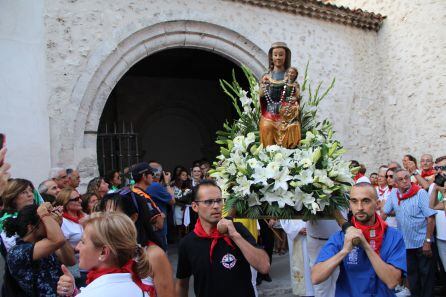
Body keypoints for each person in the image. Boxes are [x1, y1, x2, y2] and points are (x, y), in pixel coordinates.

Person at [175, 180, 270, 297]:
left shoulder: (238, 230)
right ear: (195, 206)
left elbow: (264, 267)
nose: (216, 206)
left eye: (219, 201)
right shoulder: (188, 243)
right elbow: (182, 284)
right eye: (208, 202)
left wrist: (235, 236)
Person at [312, 183, 406, 296]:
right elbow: (315, 277)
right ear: (350, 205)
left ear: (377, 204)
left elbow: (392, 282)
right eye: (354, 201)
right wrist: (344, 251)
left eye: (366, 201)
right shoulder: (341, 237)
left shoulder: (394, 236)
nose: (360, 207)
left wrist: (366, 245)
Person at [56, 212, 157, 296]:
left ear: (103, 252)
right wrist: (74, 292)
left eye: (83, 242)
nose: (77, 247)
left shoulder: (92, 293)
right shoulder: (140, 285)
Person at [99, 192, 175, 296]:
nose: (106, 221)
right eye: (103, 214)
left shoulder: (153, 255)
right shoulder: (103, 254)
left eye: (113, 215)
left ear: (133, 217)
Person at [382, 168, 436, 297]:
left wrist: (427, 241)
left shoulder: (420, 193)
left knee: (426, 277)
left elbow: (430, 218)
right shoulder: (394, 194)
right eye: (400, 179)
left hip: (422, 243)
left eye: (407, 177)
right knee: (412, 277)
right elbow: (384, 212)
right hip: (405, 244)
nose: (405, 181)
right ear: (395, 183)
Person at [4, 203, 75, 296]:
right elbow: (58, 240)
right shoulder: (16, 251)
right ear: (31, 227)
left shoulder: (49, 243)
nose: (49, 222)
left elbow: (70, 261)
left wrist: (57, 227)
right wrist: (44, 214)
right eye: (44, 221)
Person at [55, 187, 86, 287]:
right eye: (76, 199)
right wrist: (83, 247)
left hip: (93, 265)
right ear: (66, 203)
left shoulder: (85, 216)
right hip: (78, 269)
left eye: (80, 197)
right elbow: (62, 247)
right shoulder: (62, 222)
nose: (80, 200)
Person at [146, 161, 175, 251]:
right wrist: (167, 183)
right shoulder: (155, 186)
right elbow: (172, 201)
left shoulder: (148, 185)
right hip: (158, 228)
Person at [131, 162, 164, 233]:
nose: (153, 176)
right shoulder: (143, 197)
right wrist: (161, 215)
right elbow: (159, 224)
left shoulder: (129, 191)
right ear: (144, 176)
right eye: (151, 173)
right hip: (143, 239)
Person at [429, 156, 446, 269]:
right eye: (437, 167)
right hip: (442, 237)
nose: (440, 171)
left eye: (443, 167)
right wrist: (435, 187)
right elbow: (432, 206)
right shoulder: (436, 185)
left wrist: (444, 194)